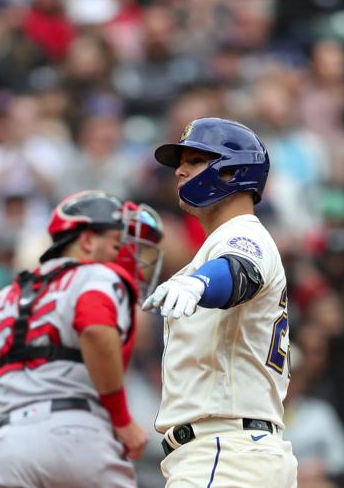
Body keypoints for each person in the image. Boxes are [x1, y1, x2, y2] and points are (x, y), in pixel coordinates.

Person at [0, 190, 165, 487]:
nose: (126, 255)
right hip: (79, 434)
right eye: (118, 243)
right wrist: (121, 419)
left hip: (6, 450)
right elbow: (95, 328)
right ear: (87, 241)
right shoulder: (98, 275)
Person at [141, 117, 299, 486]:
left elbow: (239, 271)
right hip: (240, 453)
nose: (179, 170)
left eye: (195, 160)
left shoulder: (243, 233)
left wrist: (199, 285)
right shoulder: (219, 243)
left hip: (224, 456)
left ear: (233, 172)